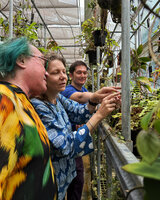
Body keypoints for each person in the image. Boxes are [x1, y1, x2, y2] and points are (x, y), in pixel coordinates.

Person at [31, 53, 121, 200]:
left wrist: (94, 100)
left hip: (63, 178)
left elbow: (79, 112)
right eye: (55, 72)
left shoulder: (57, 98)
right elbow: (66, 145)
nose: (63, 77)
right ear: (43, 76)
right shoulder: (38, 106)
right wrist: (99, 115)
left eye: (63, 72)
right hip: (50, 181)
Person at [0, 37, 57, 200]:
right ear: (21, 60)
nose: (46, 72)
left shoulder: (21, 101)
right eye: (42, 62)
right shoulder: (4, 101)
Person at [61, 60, 92, 200]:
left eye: (85, 72)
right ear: (71, 75)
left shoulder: (84, 90)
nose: (82, 75)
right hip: (67, 140)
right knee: (76, 178)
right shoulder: (67, 90)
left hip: (77, 141)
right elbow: (80, 99)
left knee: (77, 178)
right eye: (79, 72)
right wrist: (99, 96)